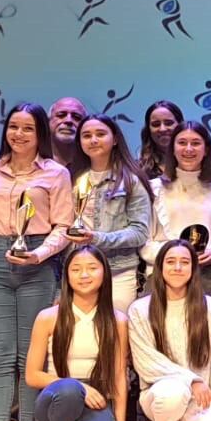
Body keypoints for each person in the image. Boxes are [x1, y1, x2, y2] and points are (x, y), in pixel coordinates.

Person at [0, 103, 75, 421]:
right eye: (13, 127)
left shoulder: (56, 173)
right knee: (0, 356)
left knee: (27, 358)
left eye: (27, 129)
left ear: (39, 134)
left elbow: (64, 226)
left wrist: (40, 254)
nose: (19, 134)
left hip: (37, 263)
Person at [23, 246, 131, 421]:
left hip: (97, 400)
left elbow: (119, 377)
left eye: (92, 268)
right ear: (67, 275)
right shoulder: (48, 317)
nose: (84, 275)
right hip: (57, 399)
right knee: (70, 389)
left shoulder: (117, 320)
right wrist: (81, 387)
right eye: (76, 269)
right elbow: (32, 375)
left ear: (104, 273)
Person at [128, 241, 211, 421]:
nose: (177, 268)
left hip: (202, 398)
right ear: (160, 267)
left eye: (184, 262)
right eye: (171, 262)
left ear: (193, 269)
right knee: (173, 391)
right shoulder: (140, 309)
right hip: (160, 395)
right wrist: (191, 379)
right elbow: (146, 362)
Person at [145, 120, 211, 298]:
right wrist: (175, 258)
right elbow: (144, 241)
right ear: (172, 148)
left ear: (207, 149)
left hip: (207, 278)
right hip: (161, 276)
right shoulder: (153, 189)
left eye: (195, 143)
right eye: (182, 143)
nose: (189, 149)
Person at [66, 115, 152, 307]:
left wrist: (95, 238)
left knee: (117, 332)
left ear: (115, 139)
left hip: (118, 272)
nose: (93, 140)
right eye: (86, 135)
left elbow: (139, 233)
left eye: (100, 134)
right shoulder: (73, 180)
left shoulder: (131, 181)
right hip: (80, 271)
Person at [138, 100, 185, 183]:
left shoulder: (195, 163)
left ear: (180, 125)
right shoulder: (137, 169)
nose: (162, 129)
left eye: (168, 123)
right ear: (148, 130)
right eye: (156, 124)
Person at [48, 96, 90, 176]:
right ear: (48, 122)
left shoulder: (94, 163)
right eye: (61, 115)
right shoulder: (34, 160)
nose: (68, 120)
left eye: (76, 117)